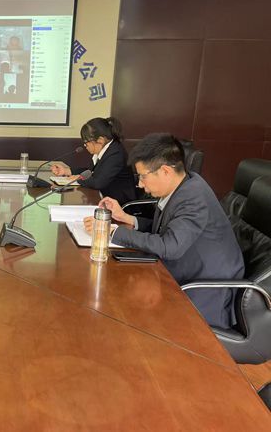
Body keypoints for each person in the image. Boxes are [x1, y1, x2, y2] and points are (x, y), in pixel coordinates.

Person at [83, 133, 244, 329]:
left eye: (143, 176)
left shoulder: (193, 198)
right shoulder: (183, 185)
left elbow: (170, 247)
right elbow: (167, 229)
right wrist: (127, 219)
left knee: (125, 314)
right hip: (181, 273)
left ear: (165, 171)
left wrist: (111, 232)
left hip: (205, 292)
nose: (140, 184)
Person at [51, 117, 137, 205]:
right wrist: (66, 171)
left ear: (100, 140)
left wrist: (79, 178)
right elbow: (91, 172)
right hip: (106, 199)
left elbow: (98, 182)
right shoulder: (105, 150)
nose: (85, 146)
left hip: (120, 204)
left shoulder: (116, 153)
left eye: (86, 142)